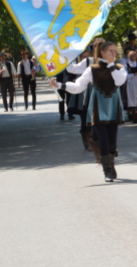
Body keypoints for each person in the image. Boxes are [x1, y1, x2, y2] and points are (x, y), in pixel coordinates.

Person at [51, 41, 127, 182]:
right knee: (103, 139)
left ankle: (111, 163)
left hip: (113, 108)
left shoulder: (119, 68)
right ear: (102, 53)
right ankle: (107, 170)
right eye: (110, 51)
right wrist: (60, 85)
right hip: (98, 108)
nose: (114, 53)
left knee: (112, 142)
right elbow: (78, 86)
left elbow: (119, 81)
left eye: (114, 51)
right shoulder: (92, 69)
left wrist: (110, 65)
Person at [67, 46, 96, 151]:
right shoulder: (88, 62)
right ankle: (87, 141)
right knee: (85, 116)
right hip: (85, 92)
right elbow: (71, 69)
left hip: (100, 93)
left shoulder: (107, 61)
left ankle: (97, 140)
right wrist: (67, 56)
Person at [125, 49, 137, 117]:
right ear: (129, 56)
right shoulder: (127, 65)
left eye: (134, 55)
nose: (133, 57)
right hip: (131, 83)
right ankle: (134, 116)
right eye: (131, 56)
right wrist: (135, 74)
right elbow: (126, 76)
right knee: (132, 98)